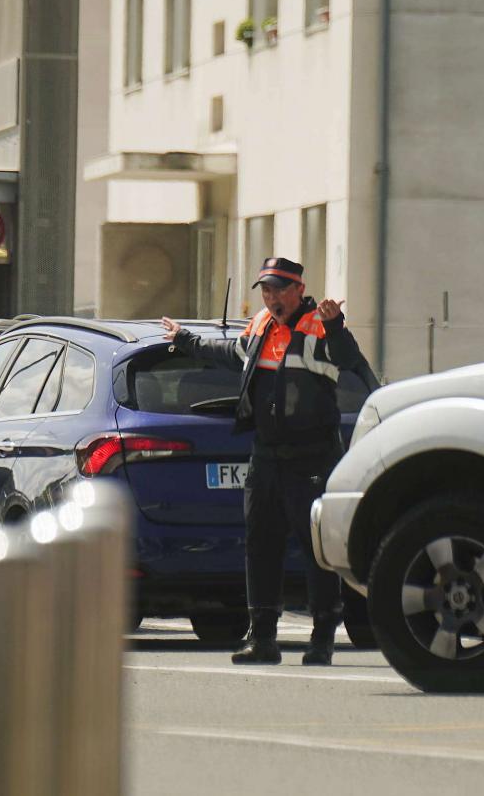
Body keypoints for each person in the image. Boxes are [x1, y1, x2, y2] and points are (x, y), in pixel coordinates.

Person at [161, 256, 380, 666]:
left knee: (316, 551)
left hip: (312, 457)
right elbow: (232, 353)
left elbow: (350, 361)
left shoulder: (318, 326)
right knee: (261, 546)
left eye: (279, 289)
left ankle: (322, 639)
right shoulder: (262, 324)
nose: (271, 297)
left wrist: (336, 325)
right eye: (265, 290)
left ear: (299, 289)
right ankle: (262, 639)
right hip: (266, 456)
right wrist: (186, 340)